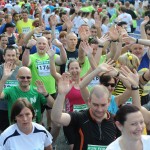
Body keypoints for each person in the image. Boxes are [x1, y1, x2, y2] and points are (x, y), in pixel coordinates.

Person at [51, 67, 119, 150]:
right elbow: (56, 117)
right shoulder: (79, 117)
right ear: (89, 101)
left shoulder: (115, 121)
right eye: (95, 105)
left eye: (103, 105)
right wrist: (61, 95)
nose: (99, 109)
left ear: (108, 102)